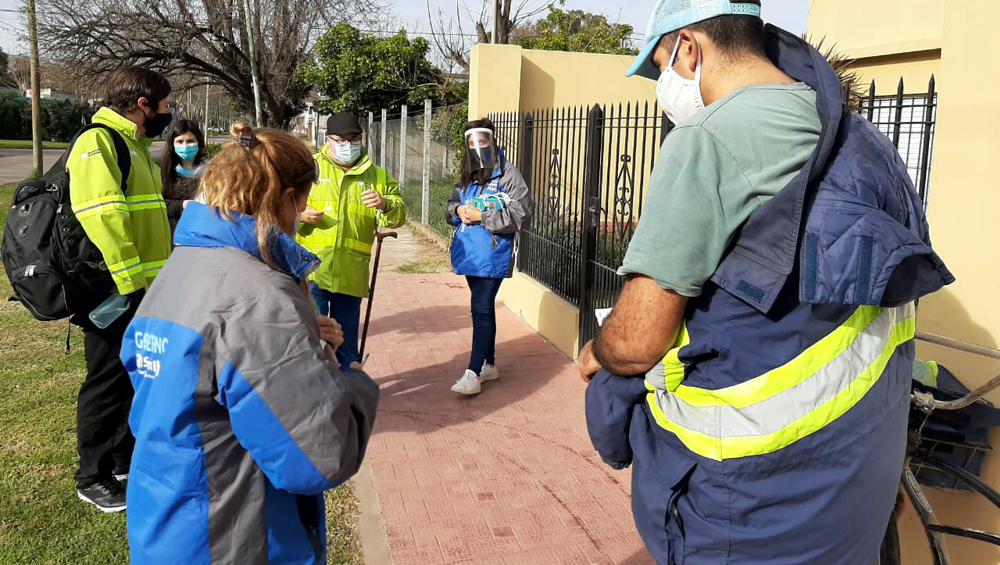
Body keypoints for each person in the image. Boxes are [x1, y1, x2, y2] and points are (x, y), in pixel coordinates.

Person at [579, 2, 954, 564]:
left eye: (661, 67)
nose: (666, 84)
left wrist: (595, 352)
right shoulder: (862, 142)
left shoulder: (706, 138)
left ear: (689, 46)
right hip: (854, 495)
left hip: (744, 515)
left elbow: (636, 342)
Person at [119, 126, 380, 564]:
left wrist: (290, 338)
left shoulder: (182, 265)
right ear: (288, 199)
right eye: (301, 204)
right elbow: (320, 456)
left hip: (167, 518)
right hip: (233, 537)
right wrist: (349, 379)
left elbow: (206, 361)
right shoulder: (262, 301)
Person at [66, 66, 173, 512]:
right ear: (142, 103)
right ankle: (91, 476)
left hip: (141, 288)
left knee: (132, 376)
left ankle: (121, 458)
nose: (169, 111)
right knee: (106, 381)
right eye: (165, 103)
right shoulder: (99, 142)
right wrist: (130, 286)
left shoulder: (136, 145)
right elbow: (105, 219)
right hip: (112, 291)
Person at [296, 113, 405, 370]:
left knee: (345, 341)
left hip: (351, 273)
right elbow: (280, 207)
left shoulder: (377, 176)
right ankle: (319, 392)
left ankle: (350, 393)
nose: (348, 145)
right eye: (341, 140)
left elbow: (398, 215)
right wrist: (299, 216)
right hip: (311, 272)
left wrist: (385, 204)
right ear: (328, 140)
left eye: (354, 139)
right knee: (315, 336)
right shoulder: (307, 170)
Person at [446, 120, 533, 395]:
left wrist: (483, 216)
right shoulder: (467, 175)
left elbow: (523, 213)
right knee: (483, 309)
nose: (477, 148)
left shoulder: (508, 175)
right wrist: (459, 210)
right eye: (471, 143)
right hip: (469, 254)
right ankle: (490, 364)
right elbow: (450, 206)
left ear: (492, 142)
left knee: (480, 308)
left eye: (482, 142)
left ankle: (473, 372)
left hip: (494, 254)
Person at [160, 119, 208, 234]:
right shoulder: (162, 170)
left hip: (202, 231)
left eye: (190, 141)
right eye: (180, 142)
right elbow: (158, 202)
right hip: (173, 232)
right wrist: (182, 205)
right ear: (172, 144)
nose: (185, 146)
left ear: (199, 142)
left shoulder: (210, 170)